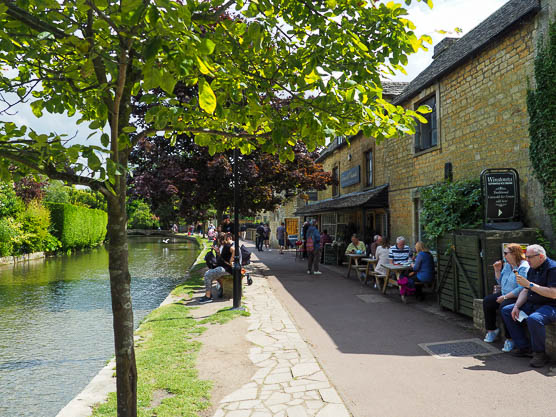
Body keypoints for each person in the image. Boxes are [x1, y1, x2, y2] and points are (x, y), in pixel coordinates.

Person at [501, 244, 556, 367]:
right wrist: (516, 306)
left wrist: (530, 285)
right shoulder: (533, 268)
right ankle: (524, 347)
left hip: (551, 306)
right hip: (533, 303)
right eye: (526, 257)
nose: (527, 260)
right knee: (507, 310)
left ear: (540, 256)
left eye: (529, 257)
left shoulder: (553, 269)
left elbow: (553, 294)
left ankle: (540, 354)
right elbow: (525, 290)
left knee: (534, 319)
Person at [482, 243, 528, 352]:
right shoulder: (508, 265)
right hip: (504, 293)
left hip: (516, 296)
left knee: (504, 307)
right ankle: (492, 330)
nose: (504, 255)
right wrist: (497, 270)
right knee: (488, 301)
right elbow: (500, 282)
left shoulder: (523, 267)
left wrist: (505, 297)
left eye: (506, 253)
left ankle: (510, 338)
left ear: (514, 254)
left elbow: (521, 288)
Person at [199, 233, 234, 304]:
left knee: (208, 275)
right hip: (223, 267)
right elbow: (223, 257)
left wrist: (231, 260)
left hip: (226, 269)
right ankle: (208, 294)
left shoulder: (227, 246)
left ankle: (208, 296)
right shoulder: (222, 246)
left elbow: (234, 250)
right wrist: (218, 252)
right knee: (208, 273)